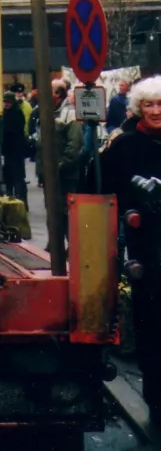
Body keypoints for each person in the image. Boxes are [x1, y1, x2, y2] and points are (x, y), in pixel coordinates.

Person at [89, 76, 161, 422]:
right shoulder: (124, 145)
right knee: (152, 319)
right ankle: (157, 396)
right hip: (148, 249)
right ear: (137, 109)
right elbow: (96, 185)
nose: (156, 111)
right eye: (149, 105)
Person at [50, 79, 83, 239]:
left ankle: (72, 246)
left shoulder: (69, 113)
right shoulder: (48, 111)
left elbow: (74, 145)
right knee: (53, 209)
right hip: (51, 172)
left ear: (57, 93)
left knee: (67, 211)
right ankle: (55, 244)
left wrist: (60, 165)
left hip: (65, 173)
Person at [2, 91, 28, 204]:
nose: (6, 104)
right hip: (10, 149)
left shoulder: (15, 113)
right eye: (5, 102)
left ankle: (20, 199)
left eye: (7, 102)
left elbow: (13, 130)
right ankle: (16, 199)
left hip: (15, 149)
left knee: (16, 176)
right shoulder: (11, 112)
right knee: (12, 175)